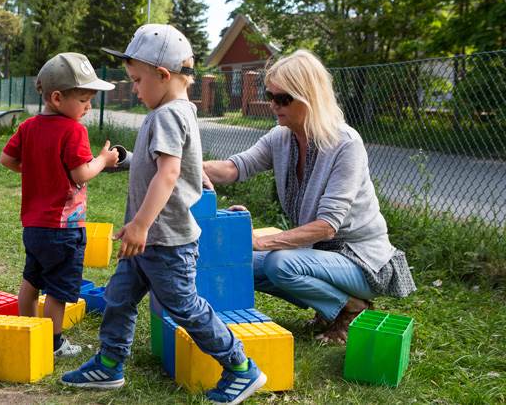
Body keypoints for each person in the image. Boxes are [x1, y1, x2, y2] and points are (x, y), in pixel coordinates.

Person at [61, 25, 267, 404]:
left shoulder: (168, 115)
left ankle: (241, 367)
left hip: (165, 241)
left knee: (185, 307)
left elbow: (170, 173)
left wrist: (140, 223)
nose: (135, 89)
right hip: (148, 240)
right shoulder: (173, 111)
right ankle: (109, 363)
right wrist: (127, 161)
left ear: (163, 75)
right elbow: (161, 162)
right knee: (119, 297)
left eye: (138, 81)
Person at [203, 49, 417, 343]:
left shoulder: (345, 144)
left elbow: (327, 226)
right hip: (319, 254)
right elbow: (233, 168)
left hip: (361, 259)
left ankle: (351, 308)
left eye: (283, 98)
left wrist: (258, 242)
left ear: (309, 96)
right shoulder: (281, 138)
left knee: (279, 264)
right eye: (270, 95)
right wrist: (177, 166)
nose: (273, 105)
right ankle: (328, 304)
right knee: (239, 261)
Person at [0, 52, 119, 357]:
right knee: (57, 290)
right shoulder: (74, 130)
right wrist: (103, 160)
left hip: (34, 227)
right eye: (83, 100)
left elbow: (7, 159)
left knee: (31, 280)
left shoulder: (28, 127)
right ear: (56, 98)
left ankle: (28, 331)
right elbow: (82, 173)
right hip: (64, 229)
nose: (89, 107)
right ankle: (52, 344)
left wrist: (39, 168)